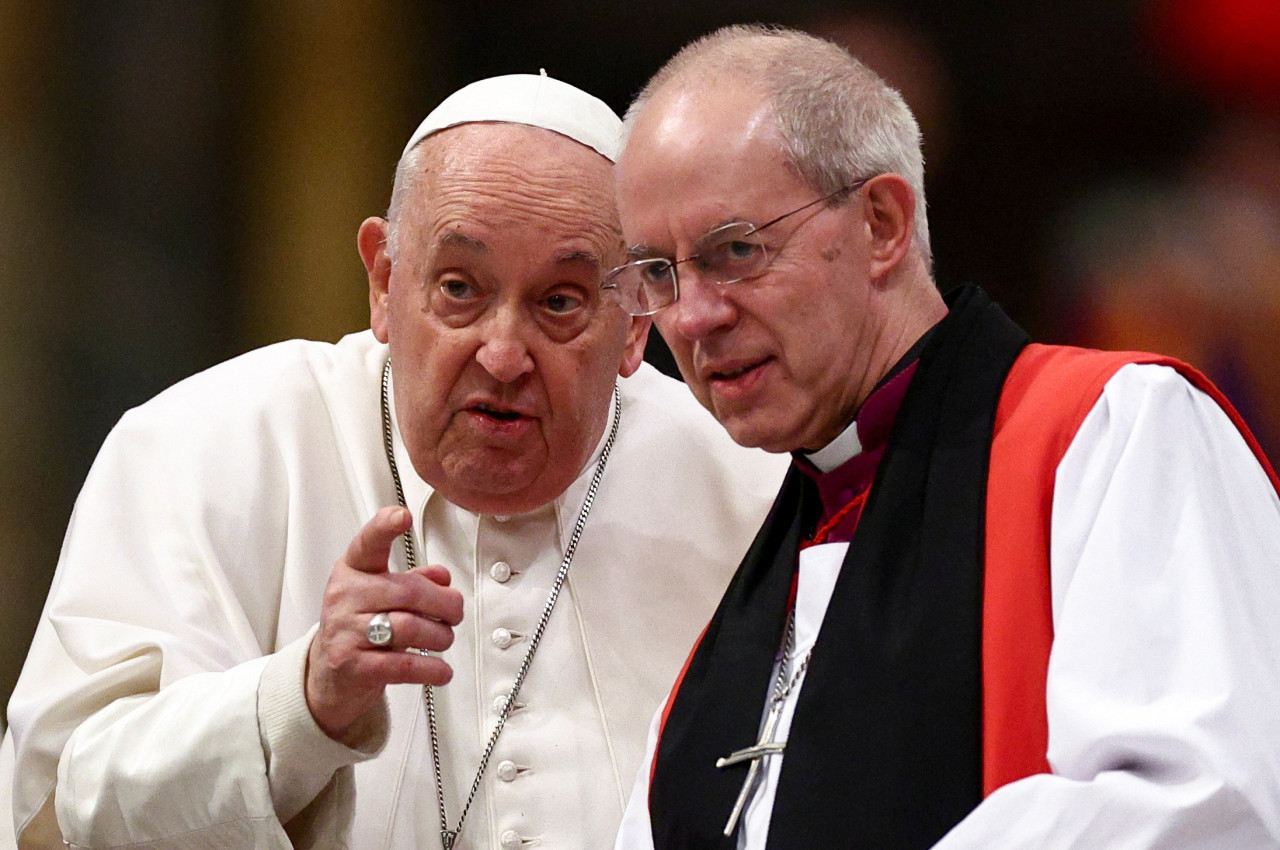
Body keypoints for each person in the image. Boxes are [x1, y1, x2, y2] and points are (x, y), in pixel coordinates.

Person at [0, 73, 788, 850]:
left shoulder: (752, 485)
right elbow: (69, 806)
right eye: (459, 288)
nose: (505, 355)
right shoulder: (203, 446)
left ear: (633, 324)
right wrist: (304, 702)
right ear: (382, 279)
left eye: (560, 302)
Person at [607, 24, 1280, 849]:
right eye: (657, 273)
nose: (692, 317)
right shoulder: (738, 593)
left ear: (884, 224)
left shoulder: (1114, 432)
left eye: (736, 250)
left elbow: (1209, 802)